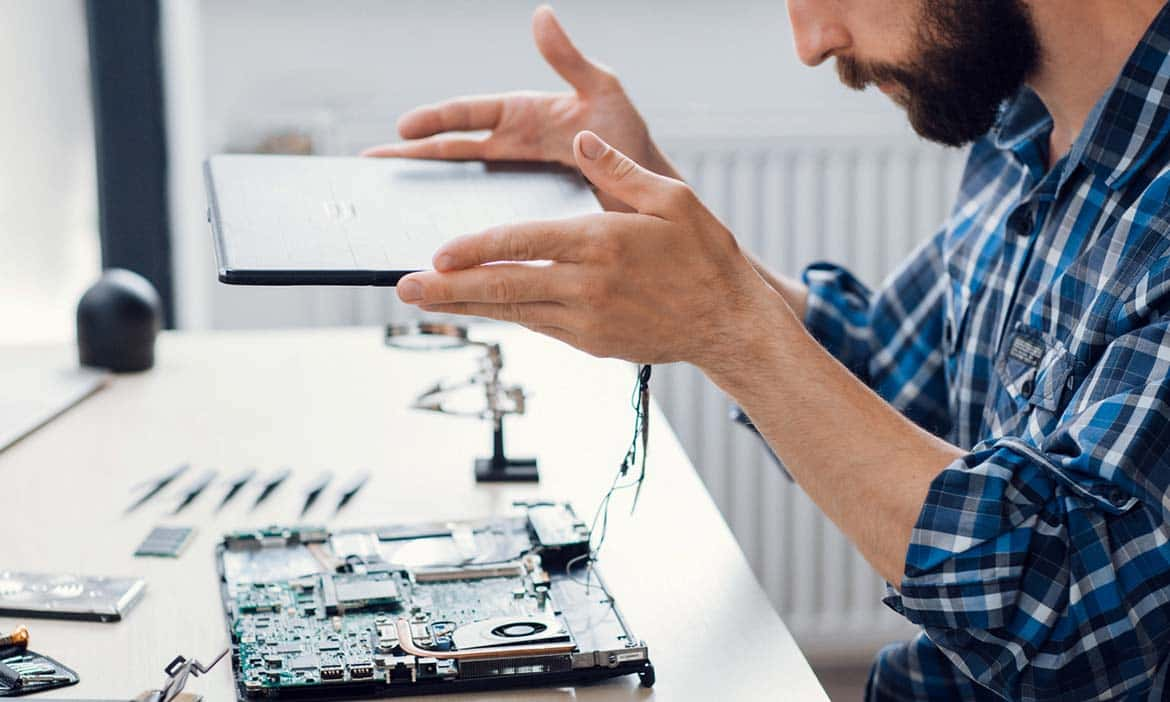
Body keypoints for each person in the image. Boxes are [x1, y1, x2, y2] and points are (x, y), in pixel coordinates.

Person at [364, 2, 1170, 699]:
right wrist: (657, 207)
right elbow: (892, 374)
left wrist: (729, 328)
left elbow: (1074, 635)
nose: (811, 40)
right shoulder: (1024, 127)